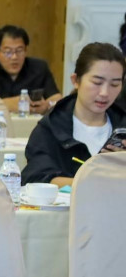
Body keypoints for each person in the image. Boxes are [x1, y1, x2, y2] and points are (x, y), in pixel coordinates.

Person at [22, 42, 126, 186]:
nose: (105, 93)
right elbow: (35, 177)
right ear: (75, 80)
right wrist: (97, 178)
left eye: (114, 84)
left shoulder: (122, 125)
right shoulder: (51, 127)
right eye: (97, 82)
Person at [0, 25, 62, 114]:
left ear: (26, 50)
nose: (14, 57)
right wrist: (9, 104)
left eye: (19, 51)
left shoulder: (40, 67)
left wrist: (47, 105)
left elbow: (57, 98)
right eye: (8, 52)